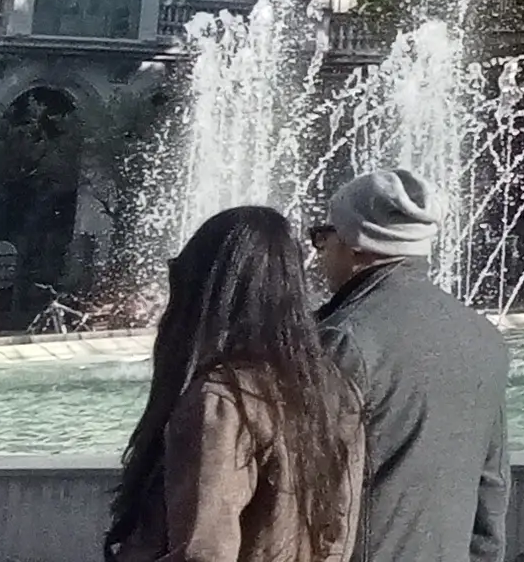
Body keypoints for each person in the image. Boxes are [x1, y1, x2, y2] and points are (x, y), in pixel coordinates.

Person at [110, 207, 365, 562]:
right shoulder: (335, 392)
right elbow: (338, 536)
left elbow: (204, 551)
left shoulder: (223, 401)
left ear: (205, 290)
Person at [309, 171, 511, 562]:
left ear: (354, 242)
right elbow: (492, 483)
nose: (320, 252)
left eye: (324, 235)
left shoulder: (343, 339)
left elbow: (312, 487)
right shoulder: (482, 336)